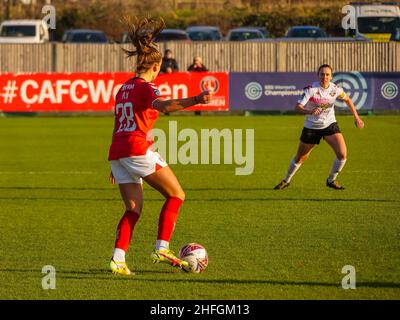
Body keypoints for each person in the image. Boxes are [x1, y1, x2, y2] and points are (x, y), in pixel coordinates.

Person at [108, 16, 212, 276]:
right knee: (177, 195)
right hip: (135, 148)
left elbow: (120, 123)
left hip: (118, 152)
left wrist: (117, 163)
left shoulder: (123, 88)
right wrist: (197, 99)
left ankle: (118, 259)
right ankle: (162, 248)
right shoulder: (147, 87)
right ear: (155, 66)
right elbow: (165, 107)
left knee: (133, 209)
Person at [274, 64, 364, 190]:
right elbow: (297, 107)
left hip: (329, 125)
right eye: (322, 74)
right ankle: (286, 180)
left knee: (342, 154)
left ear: (331, 76)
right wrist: (309, 111)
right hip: (311, 127)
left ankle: (331, 180)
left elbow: (348, 99)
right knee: (300, 158)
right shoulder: (311, 90)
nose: (325, 77)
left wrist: (357, 117)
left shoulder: (335, 89)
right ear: (318, 75)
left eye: (327, 74)